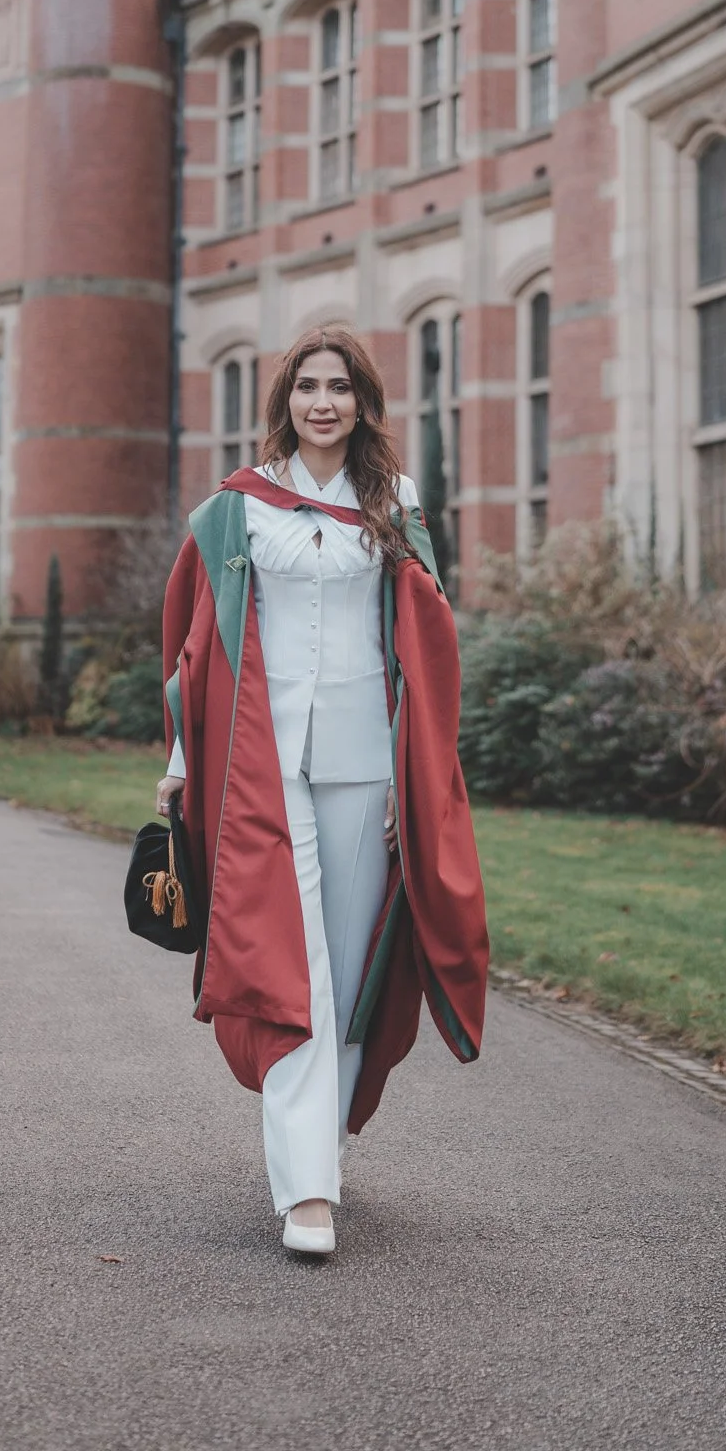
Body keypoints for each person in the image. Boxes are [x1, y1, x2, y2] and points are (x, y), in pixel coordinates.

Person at [156, 325, 488, 1257]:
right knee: (289, 964)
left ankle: (317, 1144)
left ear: (361, 402)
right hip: (259, 769)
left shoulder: (396, 504)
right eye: (307, 387)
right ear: (284, 402)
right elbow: (193, 644)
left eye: (339, 387)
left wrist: (414, 775)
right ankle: (308, 1191)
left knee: (346, 965)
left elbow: (425, 649)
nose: (323, 403)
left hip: (365, 766)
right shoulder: (236, 511)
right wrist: (183, 760)